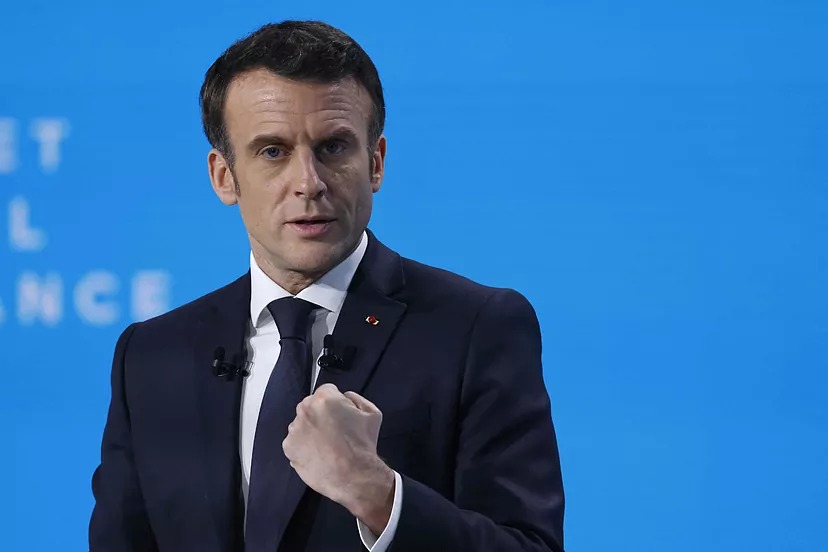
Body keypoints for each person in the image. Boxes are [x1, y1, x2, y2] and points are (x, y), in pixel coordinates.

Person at [89, 20, 565, 552]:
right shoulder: (152, 357)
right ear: (224, 176)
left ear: (375, 163)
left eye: (333, 147)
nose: (308, 183)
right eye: (273, 151)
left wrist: (380, 495)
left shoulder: (475, 329)